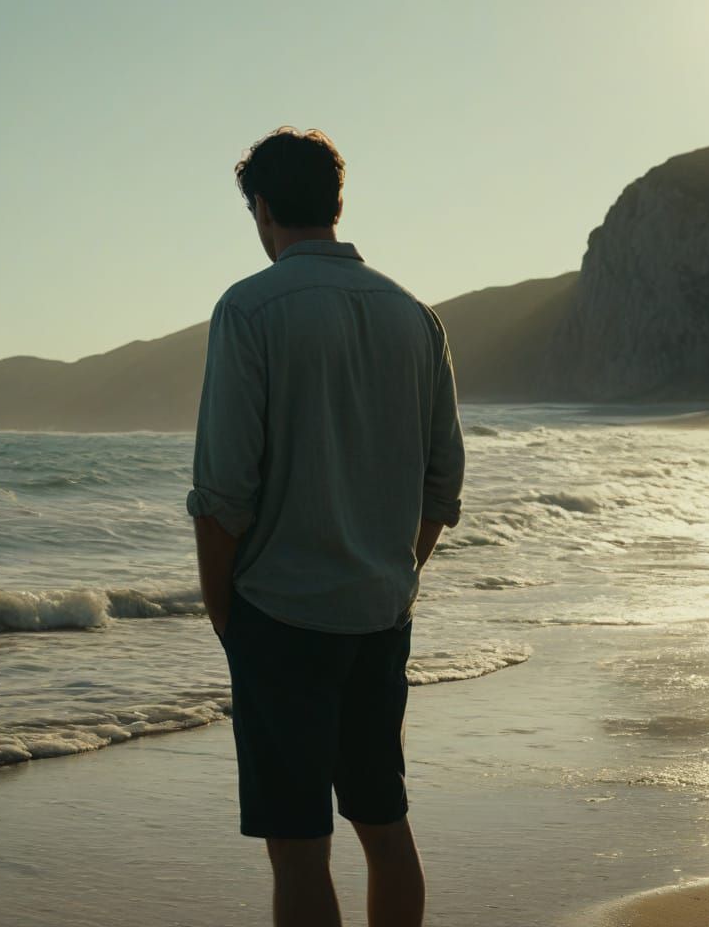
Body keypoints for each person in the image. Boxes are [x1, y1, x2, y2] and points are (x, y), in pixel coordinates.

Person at [186, 126, 465, 927]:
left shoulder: (249, 308)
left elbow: (222, 492)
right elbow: (442, 486)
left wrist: (224, 613)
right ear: (336, 205)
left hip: (281, 613)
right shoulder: (415, 316)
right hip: (379, 611)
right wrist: (394, 570)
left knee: (298, 845)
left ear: (262, 208)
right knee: (385, 823)